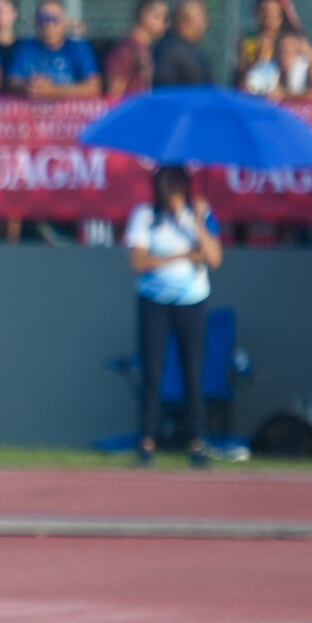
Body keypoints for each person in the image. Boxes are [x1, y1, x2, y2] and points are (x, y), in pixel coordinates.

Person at [124, 166, 222, 468]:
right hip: (154, 302)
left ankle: (196, 442)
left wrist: (198, 220)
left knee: (193, 374)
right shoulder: (145, 216)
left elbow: (214, 259)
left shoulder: (200, 215)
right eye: (166, 182)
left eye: (177, 181)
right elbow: (138, 262)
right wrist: (179, 256)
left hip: (192, 302)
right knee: (152, 373)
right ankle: (146, 442)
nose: (172, 188)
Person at [7, 0, 101, 98]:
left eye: (53, 19)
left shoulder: (78, 47)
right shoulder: (25, 47)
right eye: (42, 19)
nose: (48, 24)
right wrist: (28, 86)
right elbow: (12, 81)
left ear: (65, 23)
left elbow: (93, 87)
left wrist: (54, 90)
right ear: (35, 23)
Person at [105, 0, 169, 97]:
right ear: (146, 16)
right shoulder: (125, 51)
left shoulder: (143, 49)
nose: (165, 24)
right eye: (161, 18)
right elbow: (113, 98)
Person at [236, 0, 288, 97]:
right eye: (264, 12)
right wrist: (259, 55)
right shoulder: (249, 40)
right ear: (256, 13)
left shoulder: (287, 41)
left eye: (272, 13)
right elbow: (241, 72)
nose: (267, 17)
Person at [153, 0, 212, 88]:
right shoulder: (170, 51)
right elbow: (163, 92)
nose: (206, 24)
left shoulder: (188, 49)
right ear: (187, 20)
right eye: (203, 19)